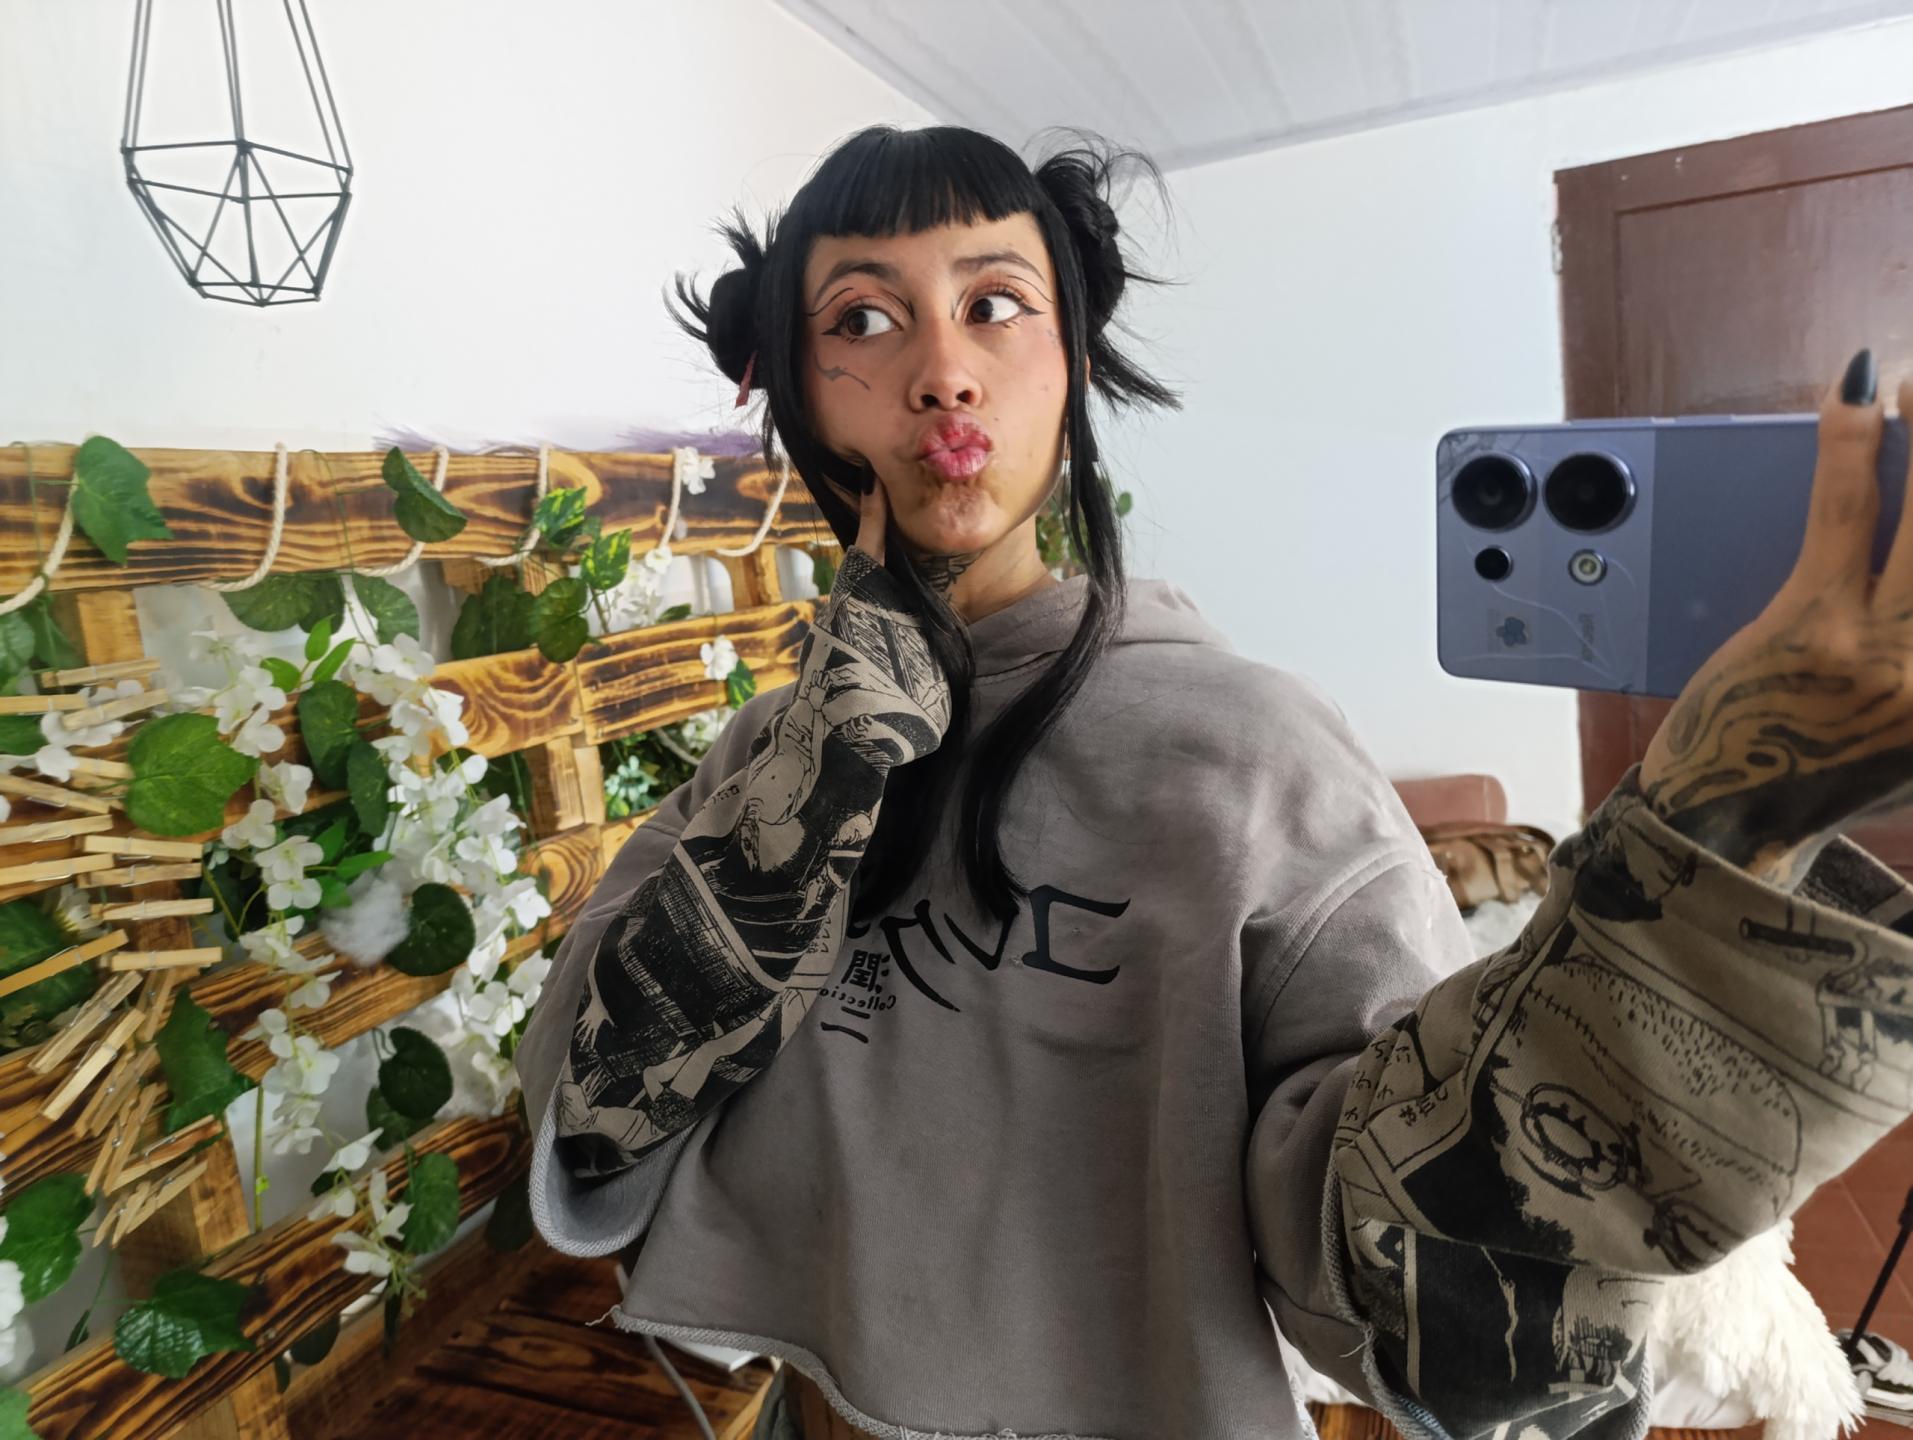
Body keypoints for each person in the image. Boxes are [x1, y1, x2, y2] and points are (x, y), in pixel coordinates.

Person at [512, 124, 1913, 1440]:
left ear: (1072, 359)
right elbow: (596, 1106)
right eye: (865, 321)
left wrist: (1712, 830)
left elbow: (1425, 1261)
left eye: (995, 304)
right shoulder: (766, 750)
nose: (943, 369)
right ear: (800, 391)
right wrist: (828, 757)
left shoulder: (1248, 749)